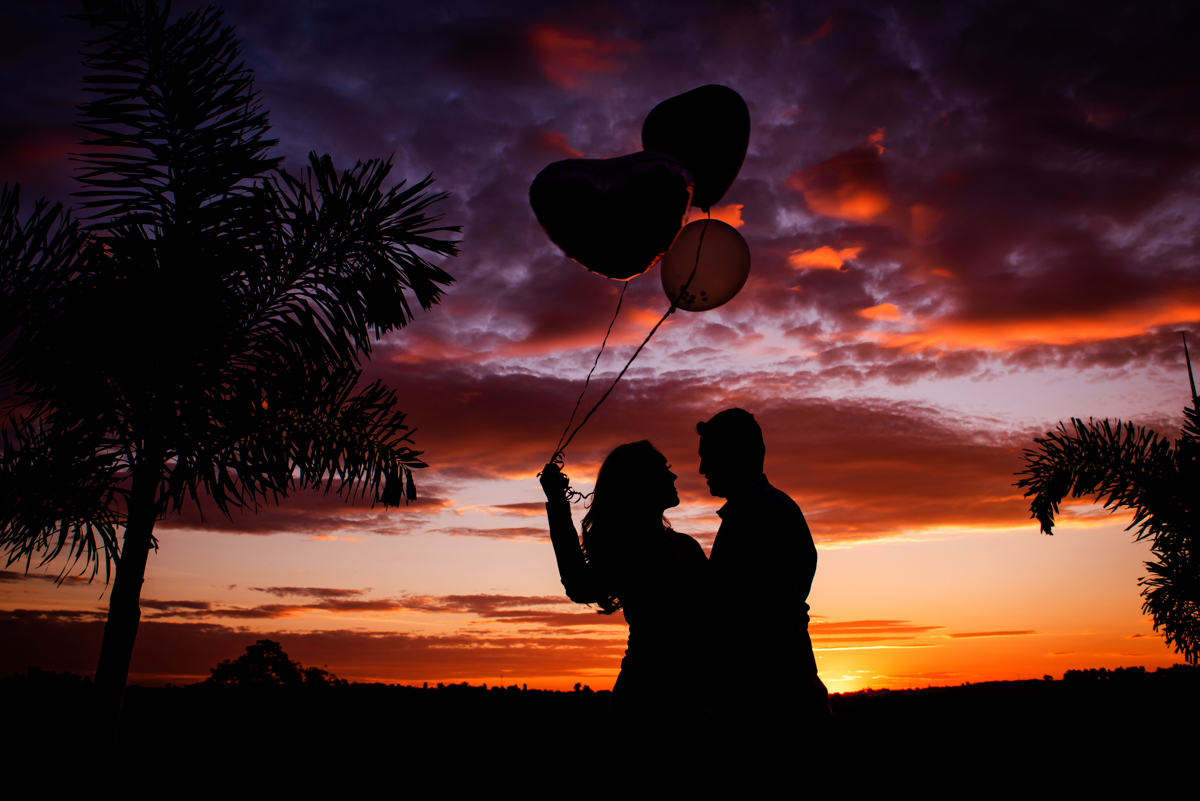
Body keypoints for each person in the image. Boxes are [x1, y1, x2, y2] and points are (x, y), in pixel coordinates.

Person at [540, 441, 709, 728]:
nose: (673, 476)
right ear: (640, 482)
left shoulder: (687, 545)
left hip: (692, 698)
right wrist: (557, 502)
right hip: (648, 701)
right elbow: (579, 586)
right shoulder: (630, 549)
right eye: (664, 469)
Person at [696, 408, 829, 747]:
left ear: (735, 455)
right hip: (770, 707)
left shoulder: (763, 513)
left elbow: (764, 611)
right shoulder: (753, 512)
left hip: (774, 715)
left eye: (708, 457)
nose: (702, 469)